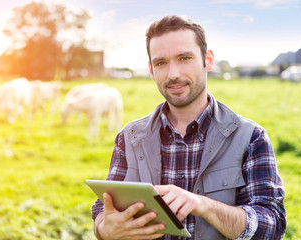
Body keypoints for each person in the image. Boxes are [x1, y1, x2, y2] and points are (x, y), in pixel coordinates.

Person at [91, 15, 286, 240]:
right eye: (161, 62)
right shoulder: (129, 137)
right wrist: (105, 230)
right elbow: (103, 210)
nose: (173, 74)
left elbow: (272, 226)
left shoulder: (250, 137)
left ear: (208, 59)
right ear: (151, 70)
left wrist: (202, 205)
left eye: (184, 58)